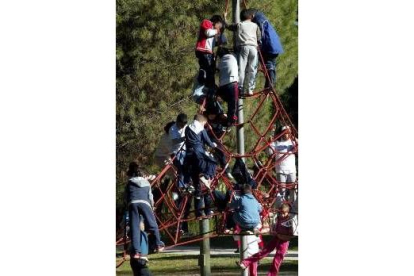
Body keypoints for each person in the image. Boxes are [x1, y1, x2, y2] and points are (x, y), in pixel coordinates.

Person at [237, 203, 294, 276]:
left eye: (284, 213)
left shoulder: (290, 220)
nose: (282, 215)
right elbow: (271, 229)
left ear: (288, 212)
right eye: (280, 213)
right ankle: (245, 263)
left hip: (284, 242)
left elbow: (290, 236)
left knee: (277, 260)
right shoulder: (278, 218)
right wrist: (271, 231)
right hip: (276, 238)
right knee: (263, 252)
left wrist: (280, 236)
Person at [126, 162, 165, 259]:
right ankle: (158, 244)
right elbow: (150, 197)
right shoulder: (146, 183)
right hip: (144, 203)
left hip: (132, 203)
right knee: (152, 224)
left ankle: (136, 252)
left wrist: (129, 205)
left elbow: (126, 196)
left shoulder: (129, 182)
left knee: (135, 228)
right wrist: (152, 207)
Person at [184, 114, 218, 218]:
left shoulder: (188, 128)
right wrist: (214, 145)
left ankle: (199, 213)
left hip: (189, 156)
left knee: (196, 186)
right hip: (198, 154)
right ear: (202, 122)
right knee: (212, 163)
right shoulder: (200, 128)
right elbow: (208, 141)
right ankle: (206, 176)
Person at [224, 9, 261, 96]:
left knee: (242, 68)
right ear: (251, 17)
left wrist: (225, 18)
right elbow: (259, 37)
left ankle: (240, 88)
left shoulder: (239, 25)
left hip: (243, 47)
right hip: (253, 48)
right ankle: (250, 89)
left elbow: (228, 26)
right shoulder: (255, 25)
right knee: (253, 69)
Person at [250, 9, 284, 88]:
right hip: (273, 45)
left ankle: (270, 83)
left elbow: (261, 31)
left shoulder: (259, 19)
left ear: (252, 15)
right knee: (270, 63)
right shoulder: (263, 18)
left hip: (269, 45)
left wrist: (258, 42)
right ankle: (270, 83)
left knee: (268, 63)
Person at [267, 126, 298, 204]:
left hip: (291, 171)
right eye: (285, 132)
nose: (286, 134)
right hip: (280, 170)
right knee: (282, 191)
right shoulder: (276, 142)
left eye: (288, 132)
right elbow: (269, 153)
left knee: (293, 190)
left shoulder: (293, 142)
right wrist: (269, 144)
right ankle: (281, 208)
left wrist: (295, 139)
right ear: (282, 133)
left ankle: (292, 208)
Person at [195, 15, 224, 88]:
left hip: (208, 52)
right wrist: (217, 30)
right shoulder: (207, 22)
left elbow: (217, 41)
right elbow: (208, 33)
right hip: (203, 50)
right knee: (207, 69)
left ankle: (208, 85)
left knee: (210, 70)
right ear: (216, 22)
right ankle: (205, 81)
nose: (219, 27)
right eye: (219, 25)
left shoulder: (214, 30)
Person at [216, 47, 239, 127]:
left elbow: (218, 69)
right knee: (233, 102)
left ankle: (221, 115)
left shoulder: (220, 61)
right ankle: (231, 119)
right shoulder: (233, 56)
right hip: (232, 82)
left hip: (222, 86)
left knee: (226, 100)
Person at [168, 113, 188, 189]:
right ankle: (181, 186)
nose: (182, 127)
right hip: (175, 152)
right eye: (180, 125)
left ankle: (188, 183)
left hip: (184, 150)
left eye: (183, 125)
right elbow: (174, 141)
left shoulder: (186, 127)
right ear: (177, 122)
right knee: (181, 167)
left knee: (189, 166)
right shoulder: (172, 129)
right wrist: (184, 138)